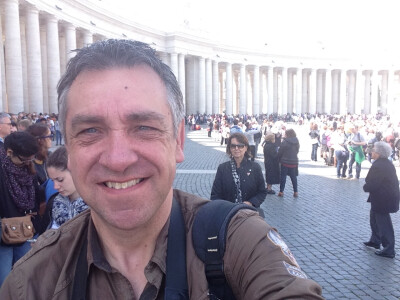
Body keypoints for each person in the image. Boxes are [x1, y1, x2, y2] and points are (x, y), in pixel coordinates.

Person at [0, 39, 323, 299]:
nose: (118, 159)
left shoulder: (241, 241)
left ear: (178, 139)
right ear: (67, 149)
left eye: (143, 127)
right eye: (90, 131)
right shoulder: (30, 282)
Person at [0, 132, 44, 286]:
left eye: (30, 158)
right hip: (4, 233)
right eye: (24, 159)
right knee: (5, 279)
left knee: (24, 275)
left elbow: (36, 198)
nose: (27, 162)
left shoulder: (28, 168)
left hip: (26, 228)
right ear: (9, 152)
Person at [211, 132, 267, 210]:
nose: (236, 148)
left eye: (240, 146)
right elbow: (215, 195)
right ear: (229, 148)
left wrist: (251, 203)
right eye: (233, 146)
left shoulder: (255, 167)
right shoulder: (223, 168)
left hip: (249, 213)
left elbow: (262, 192)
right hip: (227, 213)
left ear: (246, 148)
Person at [363, 142, 399, 258]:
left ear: (378, 153)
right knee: (374, 217)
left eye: (373, 150)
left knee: (384, 223)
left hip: (383, 198)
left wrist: (366, 187)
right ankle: (375, 240)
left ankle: (389, 249)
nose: (371, 152)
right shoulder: (385, 163)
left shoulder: (379, 165)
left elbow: (374, 182)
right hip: (384, 197)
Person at [39, 146, 89, 232]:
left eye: (60, 180)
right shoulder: (54, 201)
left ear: (78, 172)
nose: (55, 186)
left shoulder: (96, 205)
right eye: (52, 181)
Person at [278, 128, 300, 198]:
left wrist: (279, 158)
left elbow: (280, 151)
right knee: (293, 177)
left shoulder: (285, 142)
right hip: (293, 161)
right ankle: (295, 191)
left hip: (285, 161)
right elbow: (297, 151)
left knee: (283, 176)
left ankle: (281, 191)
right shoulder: (296, 141)